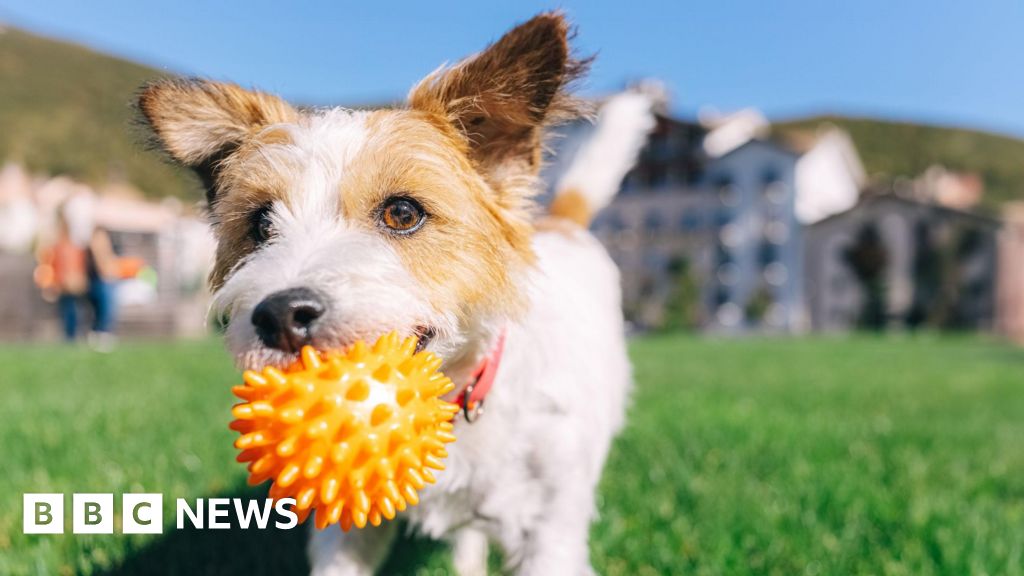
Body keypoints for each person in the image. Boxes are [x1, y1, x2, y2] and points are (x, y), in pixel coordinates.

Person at [85, 226, 120, 350]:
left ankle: (101, 335)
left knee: (104, 311)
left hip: (104, 281)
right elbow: (102, 266)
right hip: (100, 282)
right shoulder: (94, 247)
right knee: (104, 311)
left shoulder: (102, 246)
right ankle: (101, 335)